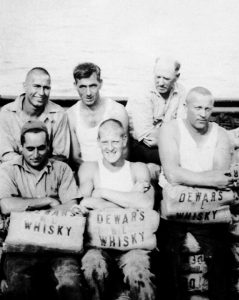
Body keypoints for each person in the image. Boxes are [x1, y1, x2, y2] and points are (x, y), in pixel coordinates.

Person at [158, 87, 236, 299]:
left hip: (209, 210)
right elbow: (172, 174)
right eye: (198, 107)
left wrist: (186, 178)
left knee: (221, 256)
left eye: (208, 108)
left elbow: (222, 175)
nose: (203, 113)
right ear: (185, 107)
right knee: (167, 255)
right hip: (174, 211)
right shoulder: (170, 129)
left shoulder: (219, 133)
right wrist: (209, 180)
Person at [0, 121, 83, 300]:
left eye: (41, 148)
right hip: (20, 248)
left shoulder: (62, 169)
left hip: (59, 246)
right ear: (20, 147)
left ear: (49, 147)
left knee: (70, 286)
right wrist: (48, 201)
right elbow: (6, 205)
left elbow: (71, 207)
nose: (35, 154)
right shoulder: (8, 170)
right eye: (30, 148)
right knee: (19, 286)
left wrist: (25, 211)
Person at [77, 119, 156, 300]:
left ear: (124, 140)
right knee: (91, 267)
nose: (110, 147)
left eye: (115, 141)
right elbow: (85, 203)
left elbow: (146, 205)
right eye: (105, 142)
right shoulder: (89, 168)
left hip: (134, 245)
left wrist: (102, 192)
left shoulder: (138, 169)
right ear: (98, 143)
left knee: (139, 273)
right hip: (98, 244)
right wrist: (129, 199)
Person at [0, 67, 70, 163]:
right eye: (36, 86)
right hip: (14, 170)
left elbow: (61, 156)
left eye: (46, 88)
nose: (41, 93)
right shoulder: (6, 113)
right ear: (25, 86)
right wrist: (30, 168)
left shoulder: (59, 114)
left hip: (48, 172)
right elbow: (5, 154)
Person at [67, 62, 129, 170]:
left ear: (101, 83)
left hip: (115, 169)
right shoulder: (71, 114)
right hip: (85, 171)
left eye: (92, 86)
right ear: (75, 86)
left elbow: (124, 151)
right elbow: (75, 157)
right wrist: (93, 174)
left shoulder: (117, 110)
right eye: (82, 87)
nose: (88, 93)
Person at [126, 56, 186, 165]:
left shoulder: (181, 91)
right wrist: (171, 138)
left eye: (166, 78)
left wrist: (164, 141)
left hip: (164, 142)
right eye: (158, 77)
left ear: (177, 77)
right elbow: (147, 136)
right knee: (175, 159)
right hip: (138, 144)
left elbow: (182, 127)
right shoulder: (142, 92)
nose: (161, 83)